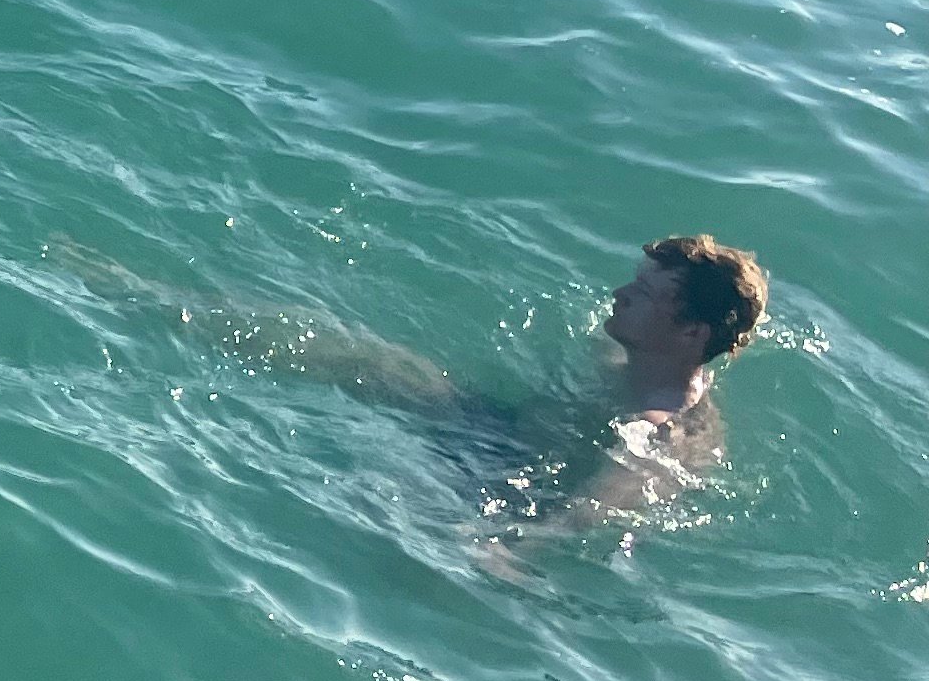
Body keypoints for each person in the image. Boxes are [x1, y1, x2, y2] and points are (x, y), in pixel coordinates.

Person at [56, 231, 769, 566]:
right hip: (493, 433)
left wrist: (508, 546)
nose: (618, 295)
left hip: (497, 490)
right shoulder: (620, 349)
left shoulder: (665, 433)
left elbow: (591, 510)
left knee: (379, 506)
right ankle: (151, 301)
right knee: (372, 358)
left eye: (642, 295)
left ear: (690, 330)